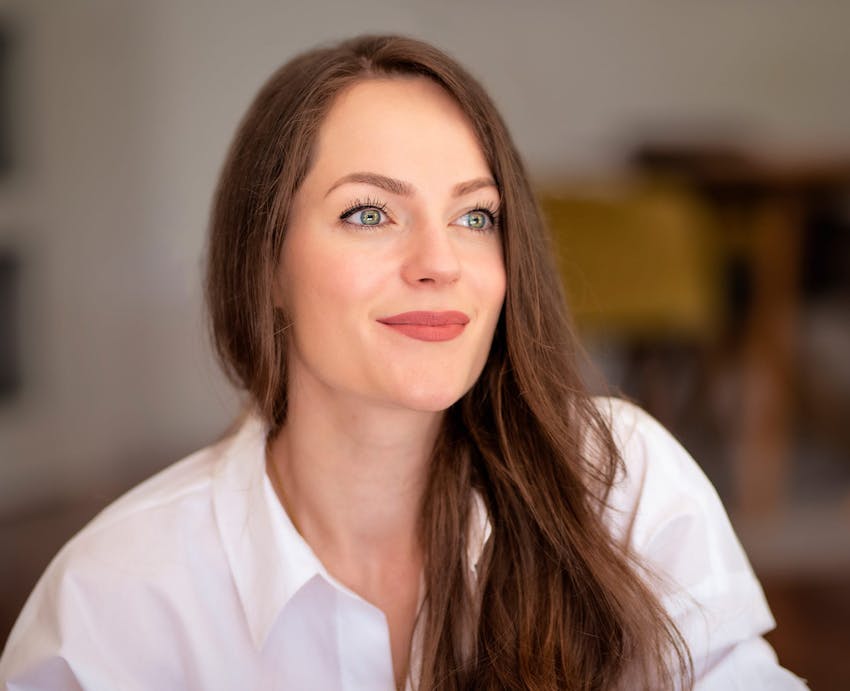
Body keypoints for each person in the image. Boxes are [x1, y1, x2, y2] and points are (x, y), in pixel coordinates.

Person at [0, 35, 806, 691]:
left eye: (474, 215)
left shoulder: (622, 484)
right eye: (369, 212)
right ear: (266, 263)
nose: (438, 261)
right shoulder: (115, 601)